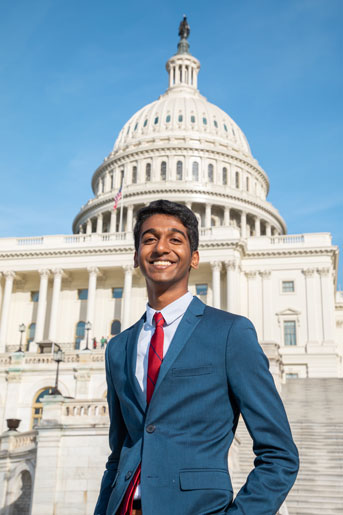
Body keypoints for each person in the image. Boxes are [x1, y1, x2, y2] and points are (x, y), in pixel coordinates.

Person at [94, 200, 299, 515]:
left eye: (175, 239)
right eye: (149, 239)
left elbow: (280, 455)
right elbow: (118, 452)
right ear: (136, 256)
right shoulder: (118, 347)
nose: (161, 247)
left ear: (194, 258)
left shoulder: (230, 333)